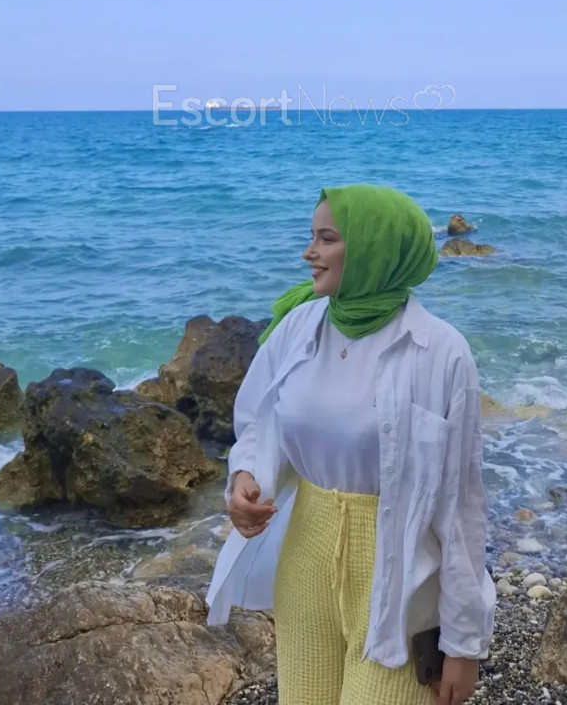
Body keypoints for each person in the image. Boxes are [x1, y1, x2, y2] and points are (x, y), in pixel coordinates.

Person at [206, 184, 495, 705]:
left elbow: (461, 507)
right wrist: (246, 476)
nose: (309, 253)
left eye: (327, 239)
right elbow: (260, 421)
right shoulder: (299, 326)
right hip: (306, 556)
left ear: (372, 249)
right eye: (311, 237)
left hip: (401, 577)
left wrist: (463, 644)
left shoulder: (442, 352)